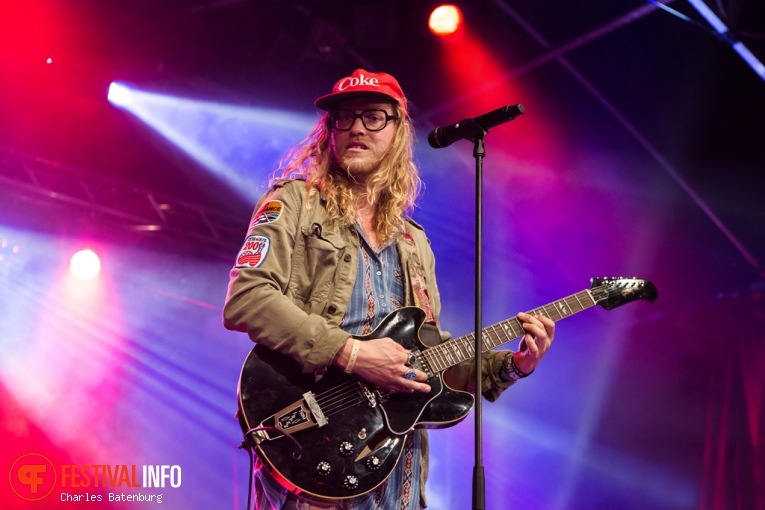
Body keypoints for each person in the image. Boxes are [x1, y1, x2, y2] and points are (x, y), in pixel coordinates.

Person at [223, 68, 555, 510]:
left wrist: (514, 365)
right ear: (330, 133)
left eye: (374, 116)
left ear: (398, 131)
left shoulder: (414, 241)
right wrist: (353, 354)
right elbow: (247, 298)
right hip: (315, 457)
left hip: (398, 474)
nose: (357, 126)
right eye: (344, 117)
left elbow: (430, 361)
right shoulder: (293, 205)